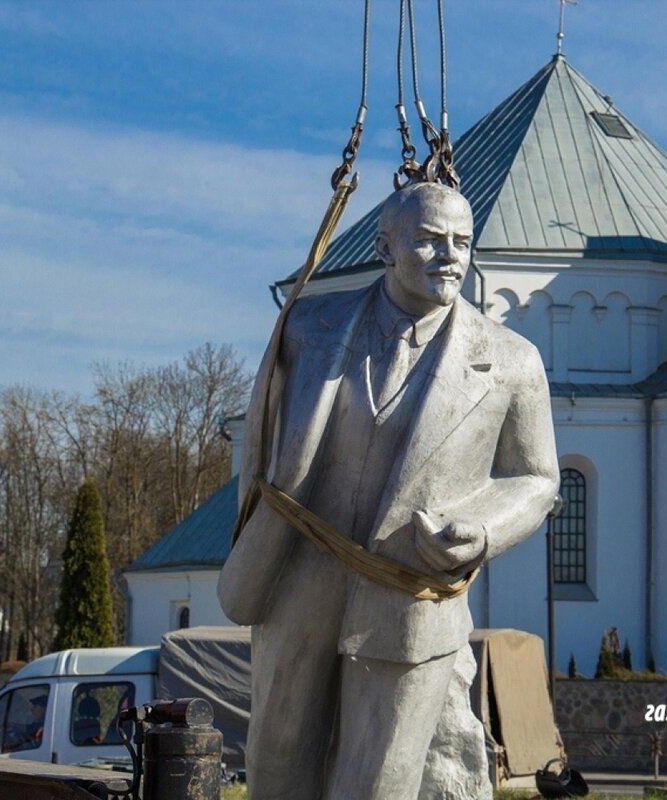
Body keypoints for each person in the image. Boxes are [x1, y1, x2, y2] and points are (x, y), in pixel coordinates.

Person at [218, 181, 558, 799]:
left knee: (379, 779)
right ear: (385, 245)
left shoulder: (512, 360)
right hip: (298, 577)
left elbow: (537, 479)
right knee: (276, 758)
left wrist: (482, 533)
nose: (449, 256)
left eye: (461, 242)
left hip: (409, 594)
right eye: (429, 241)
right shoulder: (309, 326)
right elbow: (261, 441)